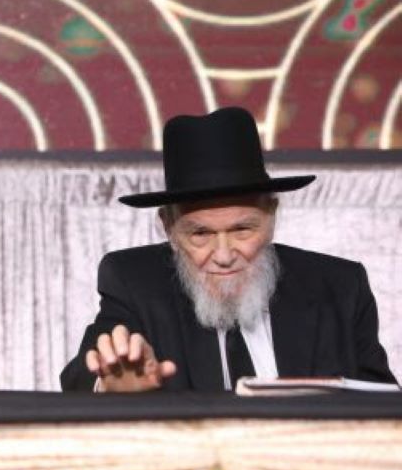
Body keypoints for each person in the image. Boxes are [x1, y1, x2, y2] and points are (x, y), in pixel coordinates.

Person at [61, 107, 397, 392]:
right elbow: (80, 377)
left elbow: (384, 406)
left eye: (242, 230)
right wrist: (112, 386)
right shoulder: (134, 281)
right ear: (169, 227)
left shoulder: (339, 286)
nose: (223, 256)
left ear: (271, 216)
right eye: (201, 234)